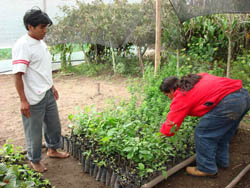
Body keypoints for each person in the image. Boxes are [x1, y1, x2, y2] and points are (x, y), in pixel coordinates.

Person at [159, 73, 250, 177]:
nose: (169, 98)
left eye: (167, 96)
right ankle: (222, 162)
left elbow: (170, 126)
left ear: (171, 90)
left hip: (230, 103)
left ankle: (206, 168)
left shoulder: (182, 95)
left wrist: (158, 135)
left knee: (202, 134)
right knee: (222, 133)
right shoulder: (194, 79)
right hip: (243, 96)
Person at [12, 8, 69, 173]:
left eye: (46, 27)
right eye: (42, 27)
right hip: (32, 98)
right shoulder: (23, 46)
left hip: (47, 92)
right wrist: (23, 100)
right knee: (34, 132)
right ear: (30, 26)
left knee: (54, 125)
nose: (45, 31)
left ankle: (52, 150)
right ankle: (34, 159)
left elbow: (41, 69)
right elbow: (17, 75)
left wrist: (52, 86)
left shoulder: (40, 41)